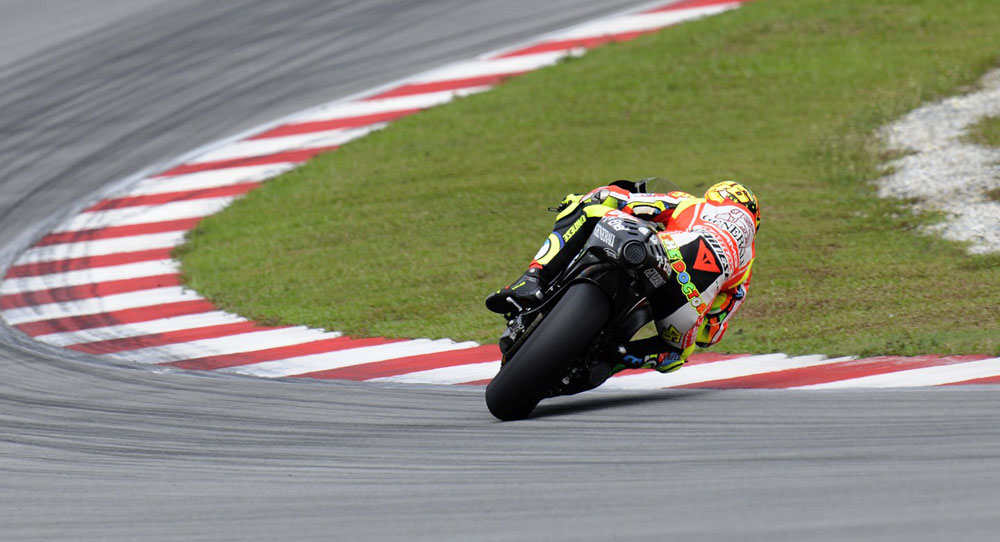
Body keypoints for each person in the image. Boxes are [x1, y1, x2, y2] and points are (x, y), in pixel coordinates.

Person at [485, 178, 759, 374]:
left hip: (663, 252)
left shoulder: (694, 204)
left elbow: (624, 200)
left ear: (715, 195)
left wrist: (591, 197)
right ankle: (616, 358)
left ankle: (532, 279)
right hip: (687, 304)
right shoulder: (746, 264)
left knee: (585, 209)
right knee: (676, 354)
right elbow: (709, 335)